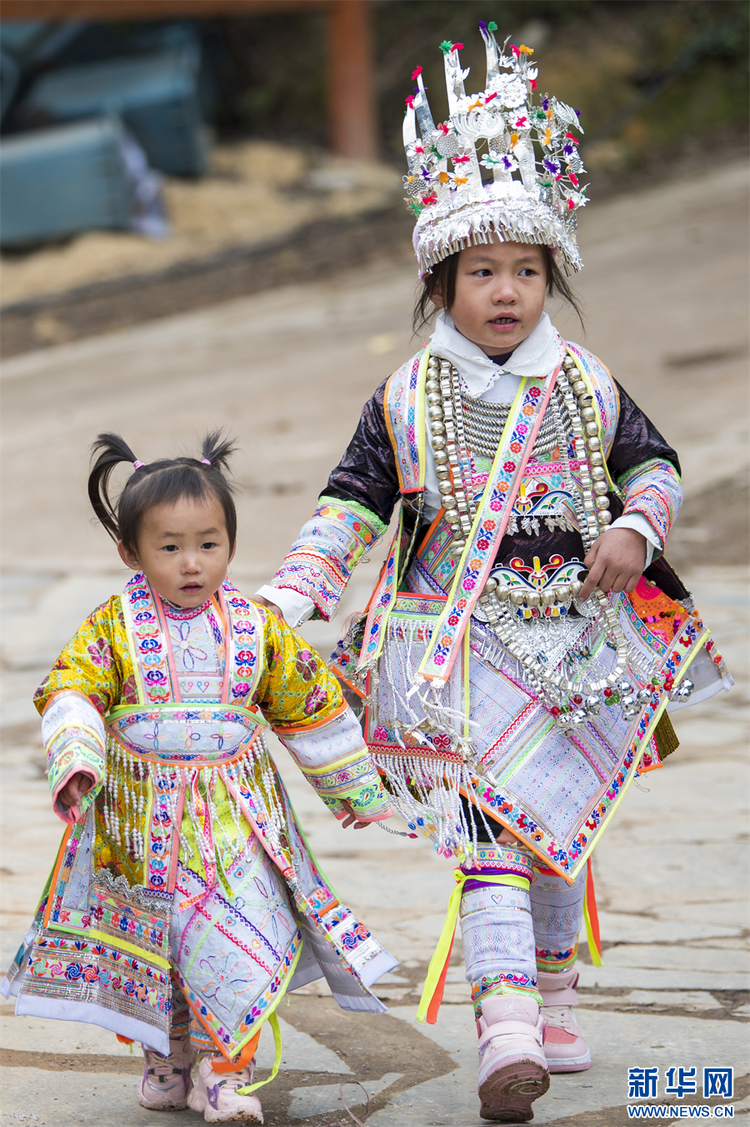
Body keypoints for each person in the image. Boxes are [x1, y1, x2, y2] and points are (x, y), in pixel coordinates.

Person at [254, 25, 731, 1124]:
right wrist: (294, 594)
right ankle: (505, 1021)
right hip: (454, 657)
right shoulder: (405, 397)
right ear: (441, 281)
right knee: (488, 834)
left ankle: (555, 995)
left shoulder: (587, 382)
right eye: (482, 271)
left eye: (525, 269)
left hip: (576, 644)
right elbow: (353, 504)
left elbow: (651, 461)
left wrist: (638, 531)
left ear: (550, 275)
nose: (506, 291)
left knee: (561, 824)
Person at [1, 432, 395, 1126]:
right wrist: (78, 757)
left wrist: (353, 785)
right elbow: (71, 691)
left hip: (236, 820)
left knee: (232, 941)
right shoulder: (111, 627)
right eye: (170, 547)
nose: (192, 563)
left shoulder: (256, 627)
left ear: (231, 547)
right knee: (164, 949)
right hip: (138, 826)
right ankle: (169, 1057)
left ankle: (221, 1075)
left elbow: (309, 703)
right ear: (131, 553)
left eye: (208, 545)